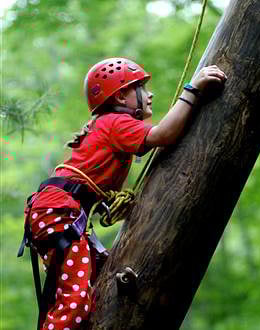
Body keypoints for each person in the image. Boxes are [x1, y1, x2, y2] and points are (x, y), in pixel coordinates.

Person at [20, 57, 227, 329]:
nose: (149, 94)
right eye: (140, 87)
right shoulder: (115, 122)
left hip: (56, 211)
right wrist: (192, 89)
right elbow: (164, 135)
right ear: (121, 95)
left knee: (102, 271)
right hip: (60, 211)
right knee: (77, 300)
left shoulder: (108, 124)